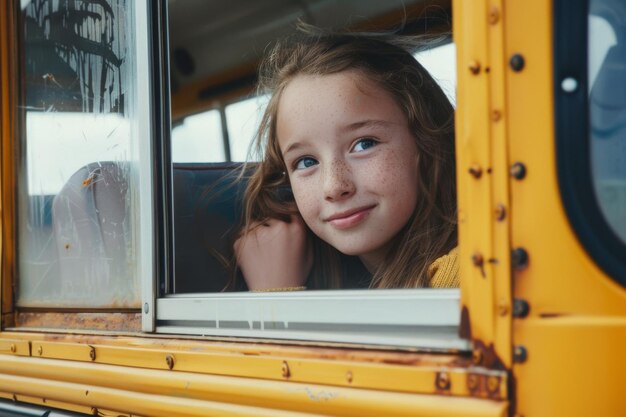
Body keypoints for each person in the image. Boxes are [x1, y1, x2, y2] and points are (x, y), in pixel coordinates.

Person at [232, 31, 458, 291]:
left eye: (364, 144)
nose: (334, 186)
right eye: (306, 162)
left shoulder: (459, 274)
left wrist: (272, 293)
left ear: (427, 141)